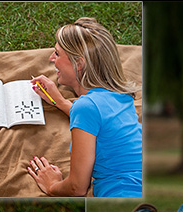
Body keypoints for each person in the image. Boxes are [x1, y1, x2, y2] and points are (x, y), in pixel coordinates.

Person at [26, 17, 142, 197]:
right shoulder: (121, 94)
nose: (51, 59)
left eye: (56, 54)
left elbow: (77, 188)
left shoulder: (85, 107)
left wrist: (52, 185)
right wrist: (60, 101)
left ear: (78, 64)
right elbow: (98, 118)